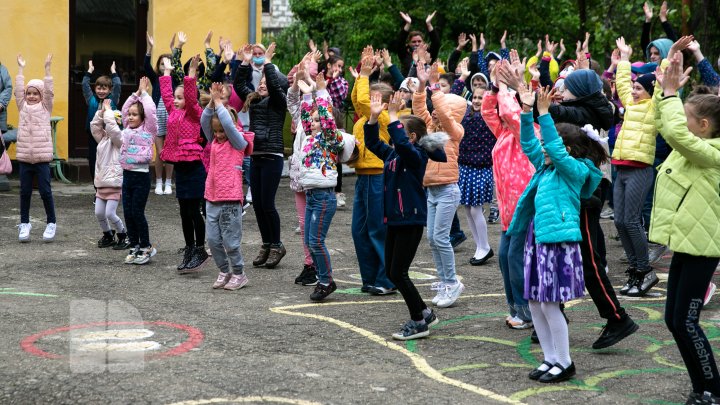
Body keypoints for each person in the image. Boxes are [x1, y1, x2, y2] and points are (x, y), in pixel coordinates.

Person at [509, 86, 603, 383]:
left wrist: (545, 113)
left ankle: (564, 361)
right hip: (537, 238)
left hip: (558, 242)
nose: (543, 148)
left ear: (568, 150)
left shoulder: (574, 170)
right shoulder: (546, 167)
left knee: (550, 304)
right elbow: (528, 143)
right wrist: (527, 112)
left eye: (549, 145)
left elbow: (555, 149)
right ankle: (550, 359)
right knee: (535, 302)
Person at [652, 52, 720, 404]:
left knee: (687, 322)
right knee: (675, 321)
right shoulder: (693, 146)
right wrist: (665, 83)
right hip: (687, 243)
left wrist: (668, 95)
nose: (682, 119)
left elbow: (676, 130)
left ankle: (712, 390)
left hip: (702, 248)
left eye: (689, 116)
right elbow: (666, 123)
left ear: (704, 125)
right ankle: (703, 387)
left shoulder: (712, 153)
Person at [365, 90, 448, 340]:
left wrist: (392, 115)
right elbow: (373, 144)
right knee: (392, 272)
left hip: (410, 219)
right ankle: (423, 311)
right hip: (395, 220)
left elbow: (400, 143)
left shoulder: (416, 156)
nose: (393, 138)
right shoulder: (393, 155)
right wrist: (373, 118)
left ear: (412, 137)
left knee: (399, 272)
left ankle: (418, 321)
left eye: (398, 131)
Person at [482, 59, 537, 330]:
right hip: (508, 210)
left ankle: (527, 312)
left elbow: (513, 114)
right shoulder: (503, 132)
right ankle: (516, 308)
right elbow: (488, 111)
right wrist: (495, 86)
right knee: (505, 258)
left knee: (515, 258)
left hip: (524, 207)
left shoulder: (527, 130)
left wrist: (506, 85)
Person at [413, 61, 468, 308]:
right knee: (433, 238)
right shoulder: (430, 128)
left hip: (447, 190)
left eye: (441, 106)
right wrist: (423, 84)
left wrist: (435, 88)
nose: (435, 111)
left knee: (441, 238)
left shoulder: (454, 130)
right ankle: (445, 281)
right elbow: (418, 108)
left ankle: (452, 282)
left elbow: (444, 114)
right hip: (432, 190)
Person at [612, 37, 663, 297]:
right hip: (620, 167)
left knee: (632, 221)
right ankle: (635, 269)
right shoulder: (630, 106)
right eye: (634, 87)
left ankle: (644, 271)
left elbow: (663, 91)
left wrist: (667, 73)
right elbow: (621, 82)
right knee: (620, 222)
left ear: (650, 92)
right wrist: (624, 58)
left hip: (640, 168)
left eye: (639, 89)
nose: (633, 91)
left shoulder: (655, 108)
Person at [233, 43, 289, 269]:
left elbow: (275, 85)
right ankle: (266, 244)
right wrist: (245, 62)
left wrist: (266, 62)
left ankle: (277, 245)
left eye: (267, 82)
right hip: (256, 156)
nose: (263, 84)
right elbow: (239, 84)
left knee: (267, 203)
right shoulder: (254, 99)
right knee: (256, 204)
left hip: (272, 156)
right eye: (262, 82)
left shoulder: (279, 101)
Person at [349, 46, 396, 295]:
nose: (370, 104)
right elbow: (358, 101)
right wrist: (362, 73)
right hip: (362, 179)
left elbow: (365, 104)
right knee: (359, 230)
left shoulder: (386, 119)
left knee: (378, 229)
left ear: (386, 105)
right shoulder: (363, 120)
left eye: (377, 100)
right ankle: (370, 278)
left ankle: (387, 279)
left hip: (379, 178)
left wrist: (366, 76)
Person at [296, 73, 346, 301]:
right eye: (313, 121)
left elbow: (325, 119)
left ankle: (326, 281)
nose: (313, 123)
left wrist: (322, 92)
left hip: (324, 197)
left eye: (318, 120)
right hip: (312, 195)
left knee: (316, 241)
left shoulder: (329, 137)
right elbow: (306, 117)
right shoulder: (310, 138)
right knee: (309, 241)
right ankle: (321, 277)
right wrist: (307, 94)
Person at [201, 83, 254, 291]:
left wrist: (219, 104)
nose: (218, 135)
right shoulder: (213, 141)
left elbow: (229, 126)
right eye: (216, 132)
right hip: (212, 197)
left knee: (231, 242)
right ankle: (224, 270)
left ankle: (239, 273)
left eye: (222, 131)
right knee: (213, 241)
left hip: (231, 198)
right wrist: (212, 106)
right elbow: (206, 121)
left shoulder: (238, 142)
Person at [160, 55, 209, 272]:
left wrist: (191, 75)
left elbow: (189, 96)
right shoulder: (174, 111)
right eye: (176, 98)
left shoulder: (194, 112)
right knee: (183, 211)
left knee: (193, 210)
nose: (177, 100)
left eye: (181, 98)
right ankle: (189, 248)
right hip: (181, 166)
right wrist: (167, 73)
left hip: (195, 167)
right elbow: (166, 95)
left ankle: (200, 249)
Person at [15, 53, 57, 243]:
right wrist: (21, 70)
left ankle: (51, 222)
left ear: (41, 96)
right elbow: (17, 91)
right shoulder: (22, 106)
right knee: (24, 192)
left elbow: (49, 91)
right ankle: (25, 223)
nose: (31, 96)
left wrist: (47, 70)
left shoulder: (46, 108)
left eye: (35, 93)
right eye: (29, 93)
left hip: (41, 158)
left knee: (45, 192)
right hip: (24, 158)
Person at [458, 83, 496, 265]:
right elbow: (455, 95)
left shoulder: (490, 117)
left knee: (475, 208)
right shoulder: (466, 114)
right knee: (467, 208)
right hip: (465, 166)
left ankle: (485, 246)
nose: (476, 100)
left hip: (482, 168)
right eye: (474, 97)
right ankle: (479, 246)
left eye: (481, 98)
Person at [90, 99, 126, 248]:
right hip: (101, 183)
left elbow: (113, 129)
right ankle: (108, 235)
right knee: (99, 213)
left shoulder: (121, 140)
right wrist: (102, 112)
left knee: (110, 213)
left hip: (114, 184)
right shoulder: (103, 139)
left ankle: (123, 234)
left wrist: (109, 111)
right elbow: (94, 126)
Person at [144, 32, 174, 195]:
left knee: (170, 153)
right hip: (158, 119)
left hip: (171, 119)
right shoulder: (155, 78)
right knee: (160, 153)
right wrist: (150, 48)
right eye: (162, 64)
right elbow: (145, 66)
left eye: (167, 64)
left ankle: (169, 182)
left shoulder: (174, 79)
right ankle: (159, 182)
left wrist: (174, 50)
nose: (164, 67)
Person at [82, 60, 121, 185]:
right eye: (99, 88)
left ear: (110, 90)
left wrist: (113, 72)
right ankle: (97, 188)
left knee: (109, 162)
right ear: (95, 88)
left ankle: (109, 186)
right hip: (93, 136)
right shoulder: (91, 99)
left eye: (104, 89)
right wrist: (89, 71)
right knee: (94, 161)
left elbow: (118, 85)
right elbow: (84, 84)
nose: (101, 91)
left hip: (109, 137)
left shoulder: (113, 99)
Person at [396, 10, 440, 76]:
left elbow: (436, 43)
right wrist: (408, 24)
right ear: (409, 43)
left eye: (419, 41)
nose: (417, 44)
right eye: (414, 42)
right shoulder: (404, 55)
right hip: (408, 84)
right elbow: (400, 42)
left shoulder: (428, 54)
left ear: (423, 42)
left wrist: (429, 24)